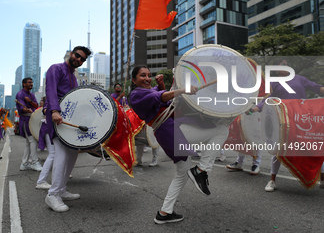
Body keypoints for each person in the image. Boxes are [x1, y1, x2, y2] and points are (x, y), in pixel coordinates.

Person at [129, 66, 229, 224]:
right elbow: (161, 98)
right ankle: (201, 170)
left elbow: (163, 96)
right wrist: (183, 89)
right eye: (143, 76)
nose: (148, 78)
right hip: (171, 130)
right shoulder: (136, 94)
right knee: (222, 130)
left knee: (182, 173)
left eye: (149, 75)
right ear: (134, 80)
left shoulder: (148, 91)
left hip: (169, 131)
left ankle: (164, 212)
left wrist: (162, 83)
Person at [248, 60, 324, 191]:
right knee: (279, 149)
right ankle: (272, 180)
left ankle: (323, 179)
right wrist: (256, 108)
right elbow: (268, 99)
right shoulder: (274, 82)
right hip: (283, 120)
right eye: (281, 64)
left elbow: (316, 87)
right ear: (277, 69)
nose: (285, 65)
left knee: (316, 145)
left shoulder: (300, 79)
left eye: (287, 64)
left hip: (301, 119)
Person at [44, 45, 91, 212]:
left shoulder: (74, 77)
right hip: (57, 118)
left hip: (69, 120)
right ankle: (52, 194)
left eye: (82, 59)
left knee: (72, 154)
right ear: (71, 54)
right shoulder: (55, 69)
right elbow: (50, 91)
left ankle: (61, 189)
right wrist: (55, 111)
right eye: (77, 56)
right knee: (62, 155)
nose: (78, 60)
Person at [16, 77, 42, 171]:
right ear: (24, 84)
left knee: (28, 142)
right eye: (29, 82)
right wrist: (27, 109)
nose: (31, 84)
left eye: (32, 82)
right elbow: (22, 108)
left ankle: (24, 163)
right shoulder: (20, 94)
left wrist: (29, 101)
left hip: (32, 119)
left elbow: (36, 105)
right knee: (33, 141)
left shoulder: (31, 95)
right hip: (25, 119)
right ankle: (34, 162)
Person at [36, 97, 54, 189]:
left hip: (53, 129)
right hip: (48, 128)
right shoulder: (51, 98)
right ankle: (41, 181)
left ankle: (60, 176)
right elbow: (45, 110)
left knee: (58, 154)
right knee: (53, 154)